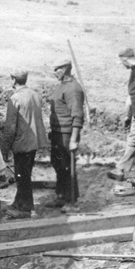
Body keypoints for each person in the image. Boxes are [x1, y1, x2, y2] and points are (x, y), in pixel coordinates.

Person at [1, 69, 49, 219]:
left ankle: (25, 209)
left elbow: (9, 128)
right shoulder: (35, 95)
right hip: (34, 142)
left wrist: (5, 148)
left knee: (22, 176)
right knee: (24, 173)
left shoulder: (14, 99)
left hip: (22, 143)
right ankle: (18, 202)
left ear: (14, 80)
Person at [46, 57, 85, 212]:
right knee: (58, 165)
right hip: (57, 133)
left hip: (67, 134)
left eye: (56, 70)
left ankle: (72, 201)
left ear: (64, 69)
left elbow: (77, 115)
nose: (54, 73)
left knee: (68, 167)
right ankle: (61, 196)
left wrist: (74, 139)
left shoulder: (73, 89)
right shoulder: (63, 85)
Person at [109, 47, 135, 181]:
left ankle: (122, 169)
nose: (122, 65)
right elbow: (132, 97)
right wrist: (128, 115)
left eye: (122, 62)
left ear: (125, 60)